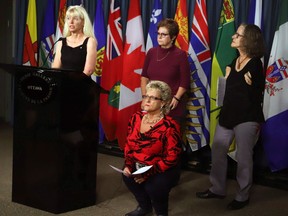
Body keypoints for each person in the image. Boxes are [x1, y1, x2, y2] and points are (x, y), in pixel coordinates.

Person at [196, 24, 266, 210]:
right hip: (227, 115)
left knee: (244, 158)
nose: (233, 36)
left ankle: (242, 196)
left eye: (238, 34)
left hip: (247, 118)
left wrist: (251, 84)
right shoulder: (233, 62)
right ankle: (217, 189)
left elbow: (256, 93)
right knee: (218, 151)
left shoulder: (255, 64)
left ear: (248, 39)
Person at [123, 80, 182, 216]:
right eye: (145, 96)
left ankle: (161, 213)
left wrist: (148, 173)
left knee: (153, 186)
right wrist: (128, 164)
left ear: (163, 103)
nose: (147, 100)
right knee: (126, 176)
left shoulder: (170, 126)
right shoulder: (136, 118)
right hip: (139, 163)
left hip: (161, 168)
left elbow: (172, 157)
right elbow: (129, 144)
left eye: (153, 98)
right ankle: (144, 207)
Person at [141, 18, 190, 125]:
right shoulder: (152, 52)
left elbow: (185, 82)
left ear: (173, 37)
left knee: (169, 139)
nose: (159, 37)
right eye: (158, 33)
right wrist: (145, 97)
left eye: (164, 34)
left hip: (171, 106)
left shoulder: (180, 55)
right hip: (152, 105)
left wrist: (176, 98)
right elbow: (144, 77)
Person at [52, 5, 97, 76]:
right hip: (63, 83)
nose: (71, 22)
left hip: (82, 84)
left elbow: (89, 70)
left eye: (75, 19)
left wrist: (74, 84)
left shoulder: (90, 41)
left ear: (83, 22)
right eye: (68, 18)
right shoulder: (61, 42)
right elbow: (55, 68)